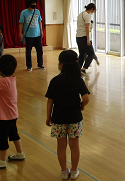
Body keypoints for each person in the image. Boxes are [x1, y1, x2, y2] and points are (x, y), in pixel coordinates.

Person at [45, 50, 90, 180]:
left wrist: (48, 117)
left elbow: (50, 101)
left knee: (61, 146)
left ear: (61, 64)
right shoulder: (78, 80)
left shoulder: (55, 81)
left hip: (58, 118)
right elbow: (86, 99)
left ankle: (64, 171)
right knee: (74, 145)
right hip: (75, 117)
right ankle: (74, 170)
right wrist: (81, 105)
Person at [19, 0, 45, 71]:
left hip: (37, 35)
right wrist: (20, 33)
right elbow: (21, 23)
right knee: (28, 51)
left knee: (40, 50)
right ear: (29, 4)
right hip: (28, 35)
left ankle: (40, 64)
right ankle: (29, 66)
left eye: (35, 3)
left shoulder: (37, 11)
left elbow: (40, 21)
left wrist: (41, 31)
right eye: (33, 3)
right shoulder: (24, 12)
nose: (34, 4)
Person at [76, 3, 96, 77]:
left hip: (78, 37)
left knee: (82, 54)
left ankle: (77, 70)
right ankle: (84, 69)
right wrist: (88, 40)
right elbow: (87, 28)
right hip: (84, 37)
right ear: (91, 9)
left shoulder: (80, 14)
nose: (93, 12)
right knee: (91, 54)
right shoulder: (87, 16)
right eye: (94, 11)